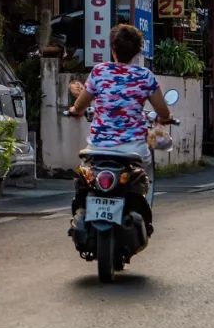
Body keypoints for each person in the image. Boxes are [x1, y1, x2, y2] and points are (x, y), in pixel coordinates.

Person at [67, 24, 174, 205]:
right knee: (145, 169)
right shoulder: (145, 76)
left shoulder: (100, 71)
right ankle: (143, 207)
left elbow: (80, 106)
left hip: (99, 147)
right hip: (133, 148)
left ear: (113, 48)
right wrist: (164, 118)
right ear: (137, 51)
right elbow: (163, 112)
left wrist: (74, 111)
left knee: (85, 177)